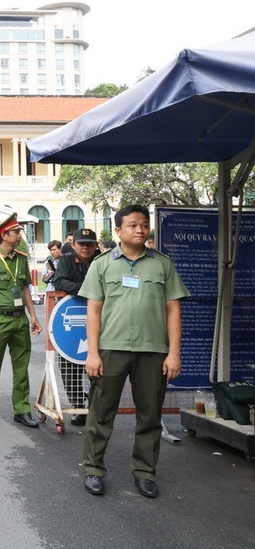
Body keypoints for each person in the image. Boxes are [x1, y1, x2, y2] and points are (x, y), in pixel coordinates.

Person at [78, 204, 188, 499]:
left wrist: (173, 353)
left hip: (152, 351)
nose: (140, 230)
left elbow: (173, 310)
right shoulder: (101, 264)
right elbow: (94, 311)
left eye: (143, 225)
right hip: (110, 349)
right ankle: (93, 469)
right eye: (133, 225)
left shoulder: (162, 264)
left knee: (150, 415)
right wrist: (93, 353)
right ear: (118, 231)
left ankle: (145, 472)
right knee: (101, 412)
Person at [0, 212, 43, 428]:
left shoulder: (22, 258)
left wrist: (33, 316)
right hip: (0, 318)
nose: (19, 235)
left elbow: (25, 288)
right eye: (16, 232)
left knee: (21, 367)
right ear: (4, 235)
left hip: (20, 320)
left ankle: (22, 410)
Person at [51, 227, 99, 427]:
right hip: (72, 319)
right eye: (82, 244)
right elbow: (59, 281)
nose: (86, 248)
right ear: (73, 245)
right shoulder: (66, 260)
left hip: (101, 321)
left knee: (99, 367)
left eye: (90, 244)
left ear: (96, 245)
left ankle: (96, 408)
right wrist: (85, 291)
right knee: (68, 366)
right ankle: (79, 407)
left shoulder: (102, 260)